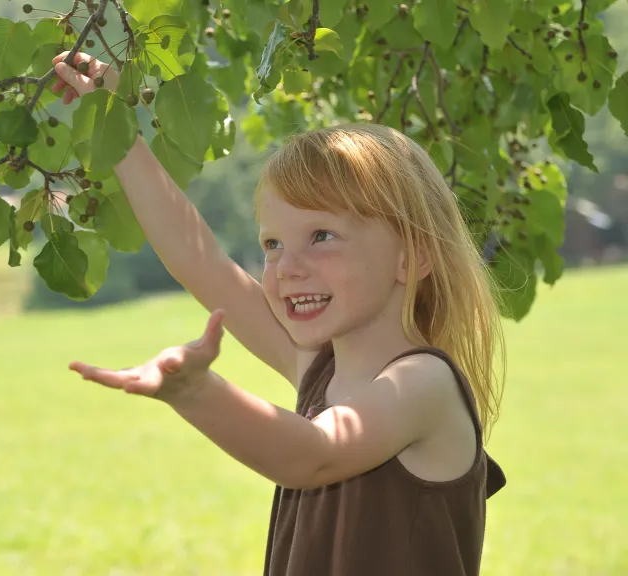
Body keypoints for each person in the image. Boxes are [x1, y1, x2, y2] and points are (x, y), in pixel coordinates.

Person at [51, 51, 507, 575]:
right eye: (272, 244)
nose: (287, 267)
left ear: (414, 257)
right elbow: (199, 261)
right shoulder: (318, 367)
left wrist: (197, 391)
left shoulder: (423, 385)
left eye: (321, 236)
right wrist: (118, 128)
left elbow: (311, 455)